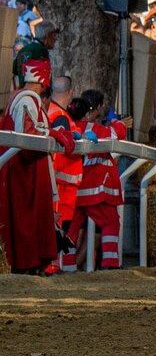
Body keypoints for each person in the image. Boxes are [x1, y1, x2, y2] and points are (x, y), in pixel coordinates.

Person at [0, 58, 73, 274]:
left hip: (27, 168)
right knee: (27, 219)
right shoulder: (27, 99)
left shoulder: (22, 98)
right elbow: (26, 133)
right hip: (26, 170)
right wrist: (53, 134)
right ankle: (27, 263)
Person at [67, 92, 129, 270]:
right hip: (95, 188)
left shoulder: (66, 127)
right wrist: (116, 121)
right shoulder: (91, 129)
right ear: (88, 113)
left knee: (71, 229)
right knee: (110, 222)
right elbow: (117, 133)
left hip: (72, 187)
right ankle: (110, 263)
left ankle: (67, 265)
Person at [46, 75, 80, 273]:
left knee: (56, 224)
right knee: (59, 224)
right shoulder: (61, 117)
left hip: (56, 179)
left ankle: (53, 264)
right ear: (70, 93)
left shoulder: (50, 111)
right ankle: (51, 266)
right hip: (62, 183)